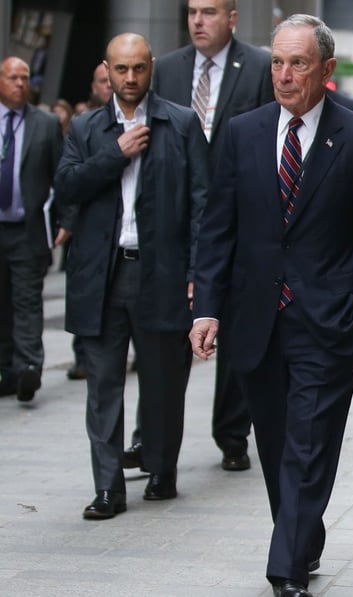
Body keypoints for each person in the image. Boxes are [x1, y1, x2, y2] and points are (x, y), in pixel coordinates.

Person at [189, 14, 353, 597]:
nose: (284, 75)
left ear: (326, 70)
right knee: (278, 444)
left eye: (298, 63)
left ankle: (284, 569)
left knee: (309, 445)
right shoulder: (242, 132)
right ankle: (302, 536)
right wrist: (206, 308)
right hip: (256, 321)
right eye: (278, 62)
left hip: (328, 325)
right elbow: (217, 231)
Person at [54, 32, 209, 519]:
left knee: (163, 383)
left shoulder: (181, 123)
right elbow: (66, 188)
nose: (129, 78)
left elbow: (204, 204)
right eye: (120, 70)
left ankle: (162, 469)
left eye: (138, 68)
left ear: (151, 67)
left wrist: (196, 273)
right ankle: (108, 488)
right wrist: (115, 154)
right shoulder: (86, 127)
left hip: (161, 273)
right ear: (107, 69)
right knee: (102, 386)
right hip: (101, 275)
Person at [138, 0, 276, 473]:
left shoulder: (259, 66)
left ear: (231, 18)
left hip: (241, 216)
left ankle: (232, 432)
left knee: (234, 329)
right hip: (177, 219)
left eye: (210, 12)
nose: (198, 20)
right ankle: (151, 432)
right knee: (167, 330)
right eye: (193, 11)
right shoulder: (168, 68)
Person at [0, 57, 69, 402]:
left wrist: (66, 220)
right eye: (12, 77)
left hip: (27, 229)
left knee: (27, 300)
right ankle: (6, 370)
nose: (19, 84)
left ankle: (29, 368)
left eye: (24, 78)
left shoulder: (44, 124)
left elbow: (62, 174)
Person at [66, 62, 115, 382]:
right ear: (94, 87)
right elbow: (67, 182)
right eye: (103, 81)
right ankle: (82, 355)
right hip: (89, 234)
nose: (110, 85)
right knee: (87, 299)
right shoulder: (82, 127)